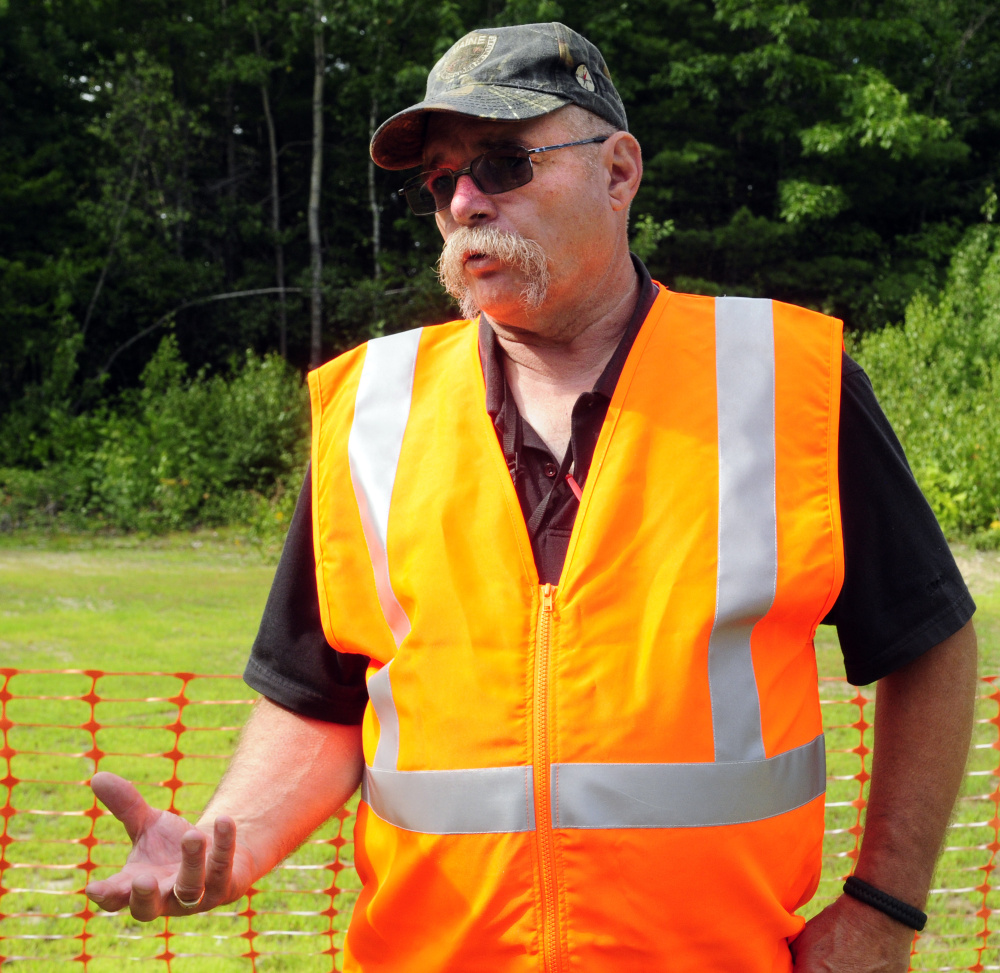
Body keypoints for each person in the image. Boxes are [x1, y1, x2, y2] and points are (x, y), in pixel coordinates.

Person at [86, 22, 978, 973]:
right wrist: (234, 837)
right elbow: (319, 691)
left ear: (620, 172)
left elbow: (928, 640)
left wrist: (884, 907)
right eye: (441, 181)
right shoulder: (370, 409)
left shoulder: (782, 378)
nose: (466, 199)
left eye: (504, 162)